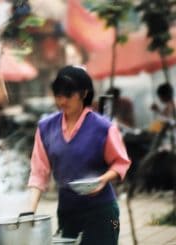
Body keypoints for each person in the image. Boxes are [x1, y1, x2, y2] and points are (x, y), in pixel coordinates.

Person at [27, 66, 131, 244]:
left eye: (68, 95)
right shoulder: (46, 128)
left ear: (84, 93)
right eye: (58, 95)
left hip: (102, 211)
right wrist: (30, 211)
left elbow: (120, 162)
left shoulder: (103, 127)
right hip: (68, 210)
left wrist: (103, 180)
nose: (62, 101)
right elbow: (39, 173)